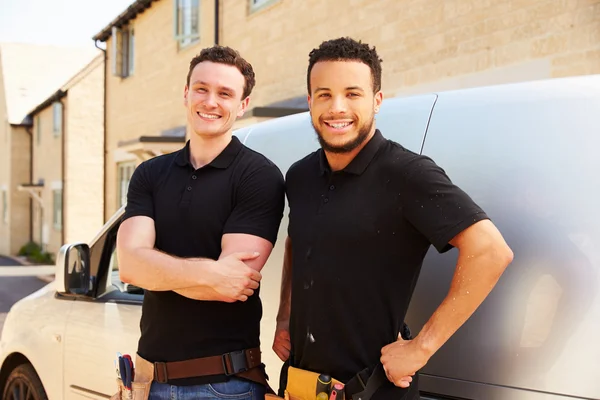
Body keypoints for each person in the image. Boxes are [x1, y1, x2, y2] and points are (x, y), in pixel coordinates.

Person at [272, 37, 514, 400]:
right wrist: (284, 316)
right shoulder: (300, 175)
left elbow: (491, 251)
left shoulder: (406, 174)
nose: (337, 107)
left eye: (352, 93)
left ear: (377, 100)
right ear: (309, 102)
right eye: (324, 94)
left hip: (373, 389)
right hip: (301, 385)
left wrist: (421, 348)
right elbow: (297, 241)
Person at [117, 45, 285, 399]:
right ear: (186, 93)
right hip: (150, 383)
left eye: (225, 93)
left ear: (243, 105)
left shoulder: (259, 176)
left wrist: (156, 267)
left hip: (224, 384)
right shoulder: (150, 173)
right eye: (201, 89)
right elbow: (130, 267)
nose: (210, 101)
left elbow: (230, 286)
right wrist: (209, 272)